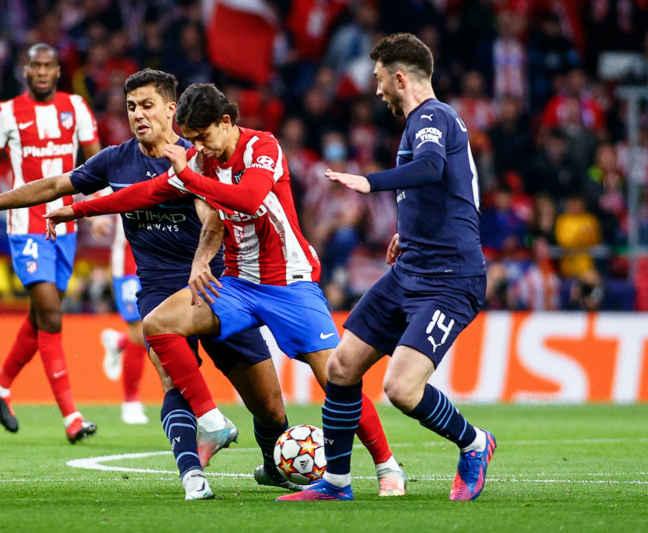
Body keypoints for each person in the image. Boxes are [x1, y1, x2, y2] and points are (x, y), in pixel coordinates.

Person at [0, 69, 328, 500]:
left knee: (271, 408)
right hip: (159, 289)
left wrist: (202, 260)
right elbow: (54, 185)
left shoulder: (197, 155)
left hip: (217, 287)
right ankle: (194, 475)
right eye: (131, 107)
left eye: (147, 105)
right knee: (172, 378)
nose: (138, 115)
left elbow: (213, 218)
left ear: (171, 108)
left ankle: (275, 466)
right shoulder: (117, 160)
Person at [43, 82, 407, 498]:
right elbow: (143, 193)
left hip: (289, 284)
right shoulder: (198, 161)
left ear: (226, 122)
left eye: (203, 137)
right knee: (158, 323)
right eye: (192, 140)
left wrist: (187, 175)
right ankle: (213, 422)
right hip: (235, 283)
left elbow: (249, 199)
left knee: (338, 377)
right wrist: (76, 208)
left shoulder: (262, 148)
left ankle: (387, 466)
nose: (199, 147)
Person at [277, 33, 496, 502]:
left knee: (401, 387)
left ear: (400, 77)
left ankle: (475, 443)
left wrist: (368, 182)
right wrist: (407, 231)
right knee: (341, 366)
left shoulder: (433, 117)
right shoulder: (418, 123)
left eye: (379, 80)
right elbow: (444, 188)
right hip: (411, 268)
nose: (376, 91)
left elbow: (433, 167)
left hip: (449, 279)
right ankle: (336, 483)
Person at [0, 43, 102, 443]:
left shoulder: (78, 108)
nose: (40, 71)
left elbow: (96, 163)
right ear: (25, 70)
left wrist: (99, 208)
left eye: (47, 65)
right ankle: (71, 416)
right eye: (34, 65)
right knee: (51, 313)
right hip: (25, 224)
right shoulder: (5, 112)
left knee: (40, 316)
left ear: (58, 71)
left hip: (65, 226)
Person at [95, 215, 150, 425]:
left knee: (159, 327)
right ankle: (131, 403)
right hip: (129, 262)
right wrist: (96, 218)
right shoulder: (120, 181)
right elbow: (96, 192)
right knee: (139, 330)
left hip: (163, 257)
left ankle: (119, 342)